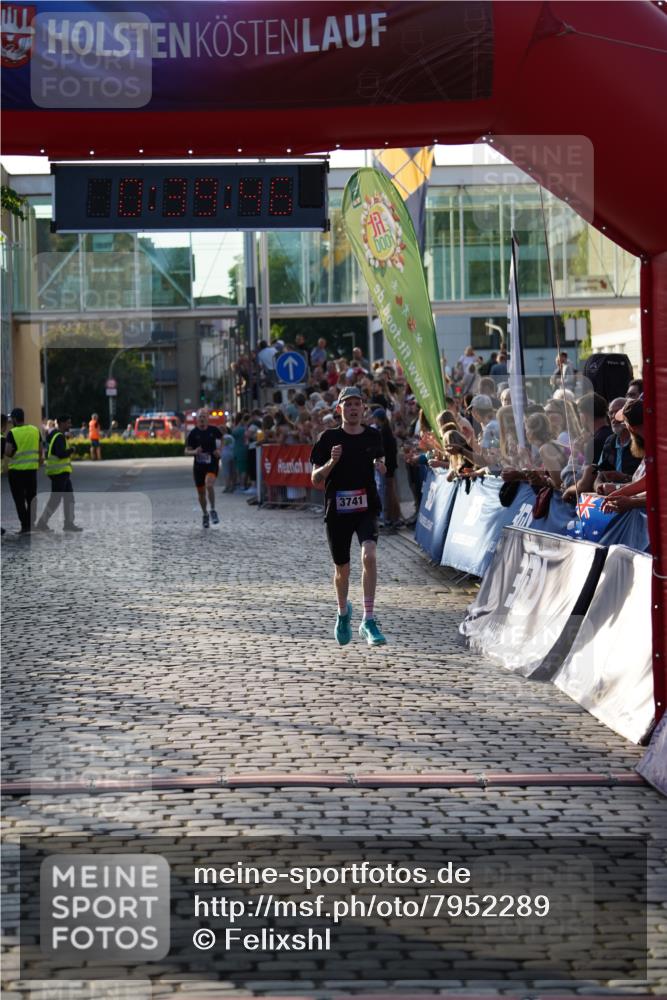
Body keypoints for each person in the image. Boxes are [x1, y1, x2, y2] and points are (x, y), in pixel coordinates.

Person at [310, 386, 388, 647]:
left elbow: (382, 461)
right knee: (342, 570)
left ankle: (368, 619)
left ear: (363, 408)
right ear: (339, 409)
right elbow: (315, 478)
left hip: (366, 507)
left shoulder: (373, 436)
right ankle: (343, 613)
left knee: (370, 555)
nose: (353, 408)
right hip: (338, 511)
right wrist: (331, 463)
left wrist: (381, 465)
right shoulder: (328, 438)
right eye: (349, 404)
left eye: (358, 404)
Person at [35, 415, 82, 532]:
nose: (70, 425)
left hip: (61, 473)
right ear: (61, 423)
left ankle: (68, 524)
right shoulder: (59, 437)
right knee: (56, 499)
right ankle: (42, 523)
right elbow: (61, 454)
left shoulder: (56, 435)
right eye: (68, 423)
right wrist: (72, 450)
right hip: (59, 473)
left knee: (69, 498)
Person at [4, 407, 43, 534]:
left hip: (16, 472)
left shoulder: (12, 433)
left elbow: (8, 452)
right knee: (32, 498)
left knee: (19, 500)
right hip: (31, 470)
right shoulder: (35, 430)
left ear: (15, 419)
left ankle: (25, 526)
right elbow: (40, 449)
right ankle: (31, 524)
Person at [185, 408, 222, 528]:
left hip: (212, 463)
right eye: (200, 417)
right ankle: (205, 514)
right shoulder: (193, 433)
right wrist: (195, 451)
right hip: (199, 466)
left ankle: (213, 510)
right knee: (201, 494)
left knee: (209, 484)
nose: (202, 419)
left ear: (208, 418)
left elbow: (223, 440)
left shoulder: (214, 430)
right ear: (197, 419)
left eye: (204, 416)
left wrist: (219, 451)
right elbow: (186, 451)